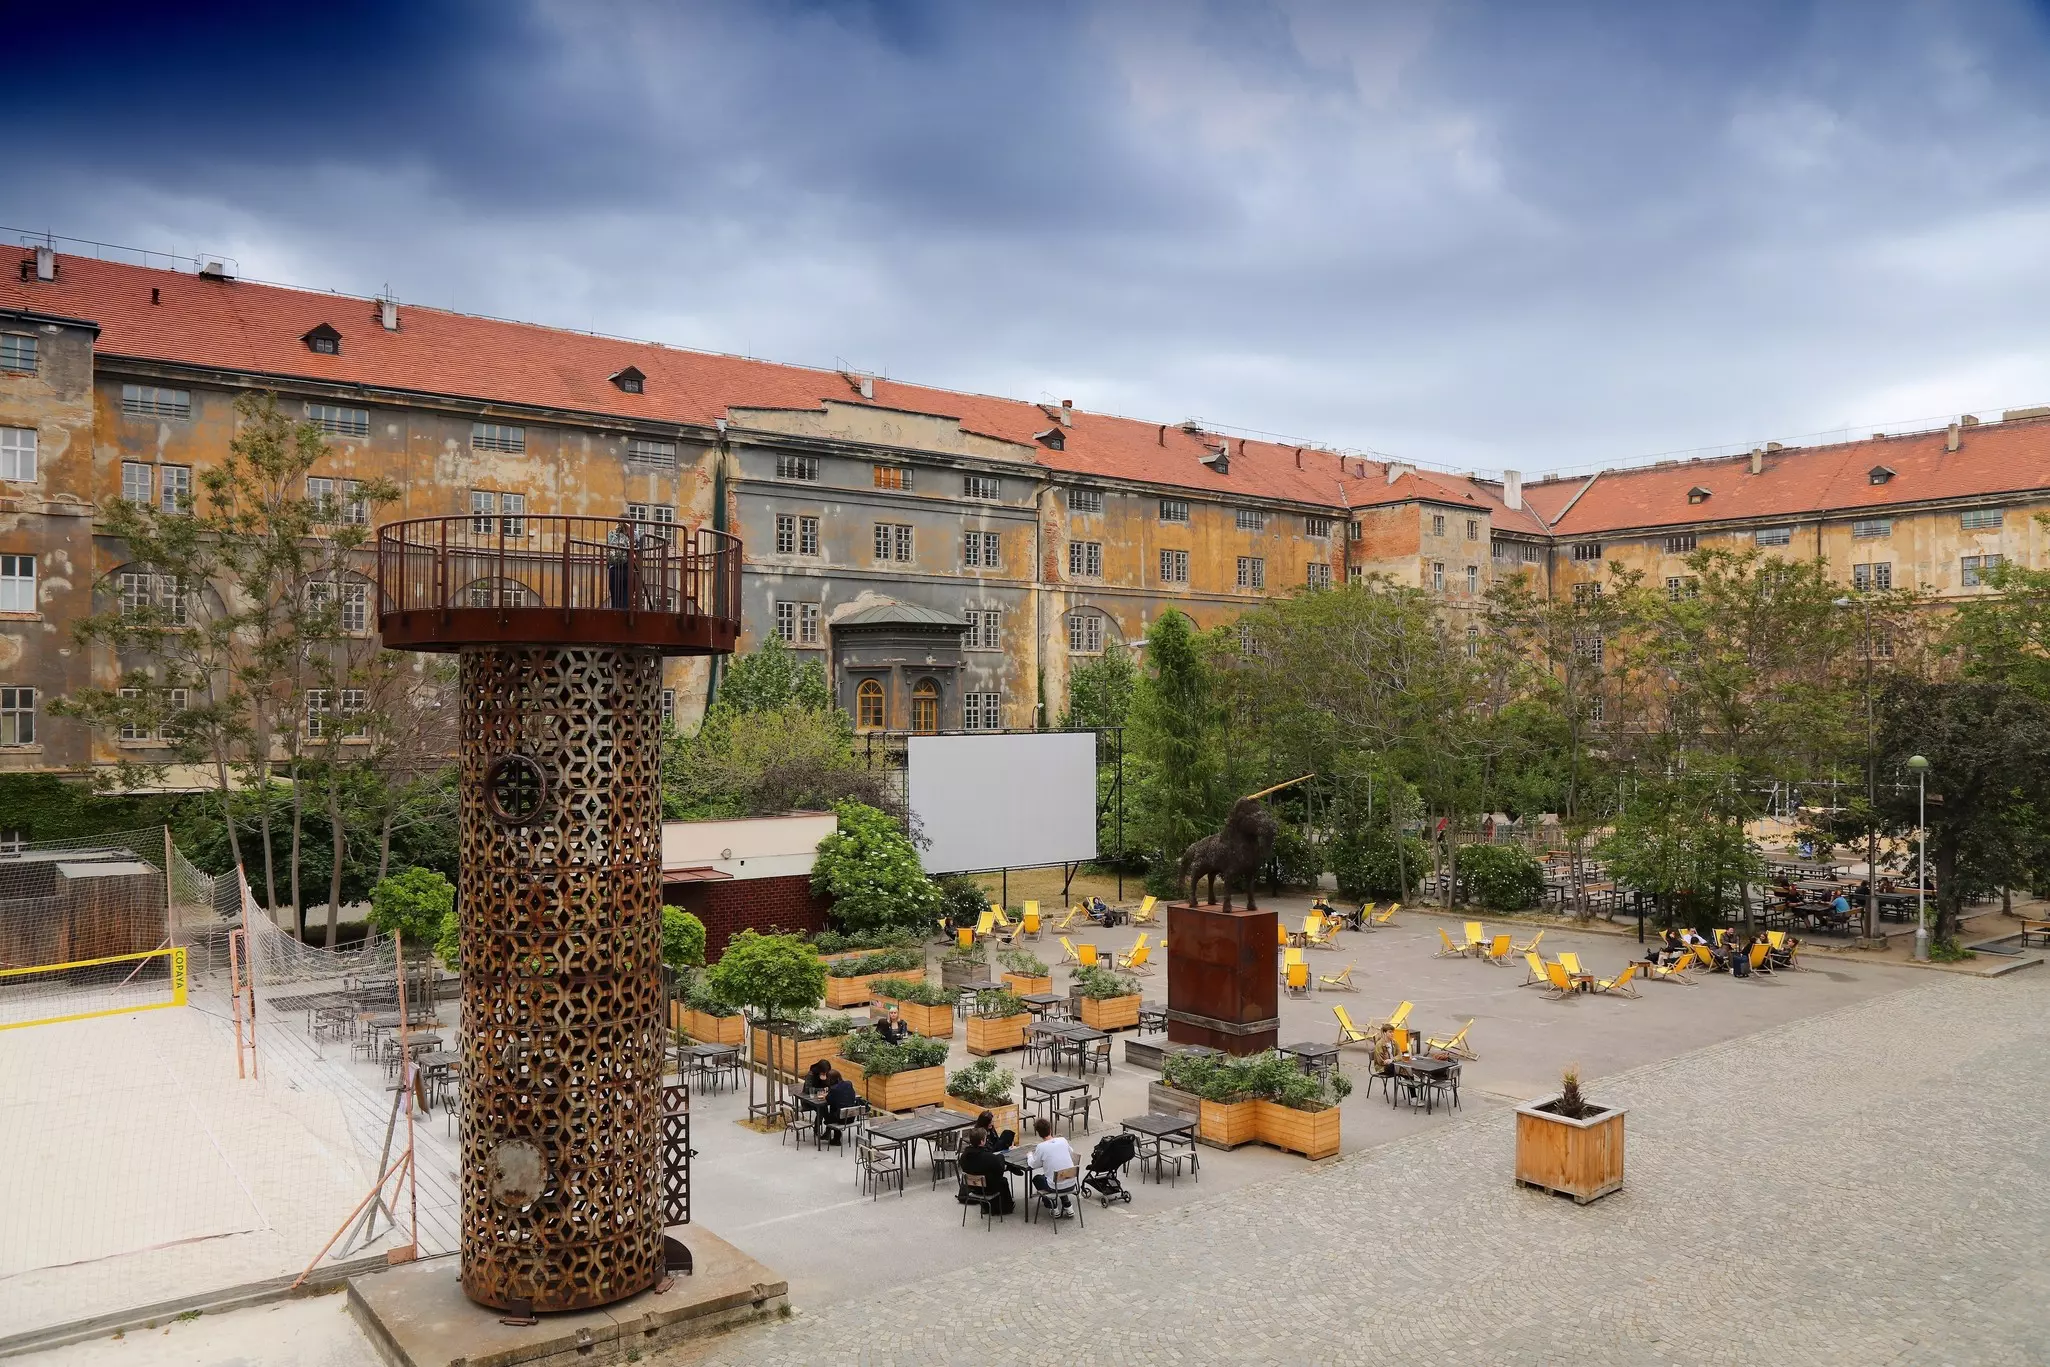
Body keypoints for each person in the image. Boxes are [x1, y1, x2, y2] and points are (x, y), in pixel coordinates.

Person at [1026, 1117, 1078, 1217]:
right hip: (1072, 1182)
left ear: (1039, 1133)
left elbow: (1033, 1164)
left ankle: (1053, 1207)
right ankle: (1068, 1206)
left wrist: (1029, 1155)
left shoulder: (1041, 1147)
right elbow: (1071, 1153)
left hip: (1055, 1186)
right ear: (1050, 1129)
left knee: (1037, 1179)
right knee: (1060, 1175)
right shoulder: (1063, 1140)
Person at [957, 1126, 1015, 1214]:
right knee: (1002, 1181)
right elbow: (999, 1173)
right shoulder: (988, 1157)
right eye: (985, 1138)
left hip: (972, 1188)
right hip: (989, 1188)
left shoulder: (963, 1156)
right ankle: (1005, 1208)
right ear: (982, 1141)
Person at [820, 1069, 861, 1144]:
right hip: (851, 1117)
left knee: (824, 1110)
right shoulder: (848, 1084)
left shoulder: (834, 1089)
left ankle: (836, 1138)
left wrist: (826, 1096)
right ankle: (829, 1133)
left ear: (830, 1079)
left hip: (841, 1119)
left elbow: (829, 1101)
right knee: (836, 1109)